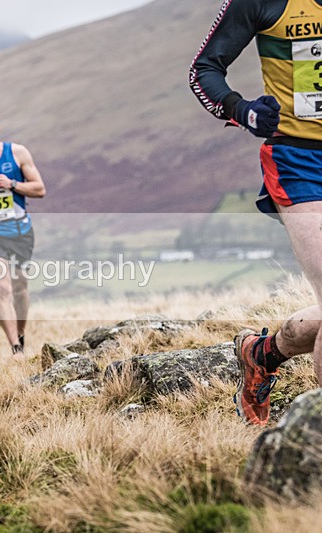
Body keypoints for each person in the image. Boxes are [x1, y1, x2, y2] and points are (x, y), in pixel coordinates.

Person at [190, 0, 322, 426]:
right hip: (299, 160)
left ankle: (262, 355)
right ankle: (313, 448)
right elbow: (204, 69)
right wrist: (241, 109)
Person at [0, 108, 46, 355]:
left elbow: (40, 189)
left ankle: (21, 335)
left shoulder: (17, 153)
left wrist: (12, 184)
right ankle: (15, 348)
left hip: (20, 231)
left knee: (20, 287)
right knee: (2, 287)